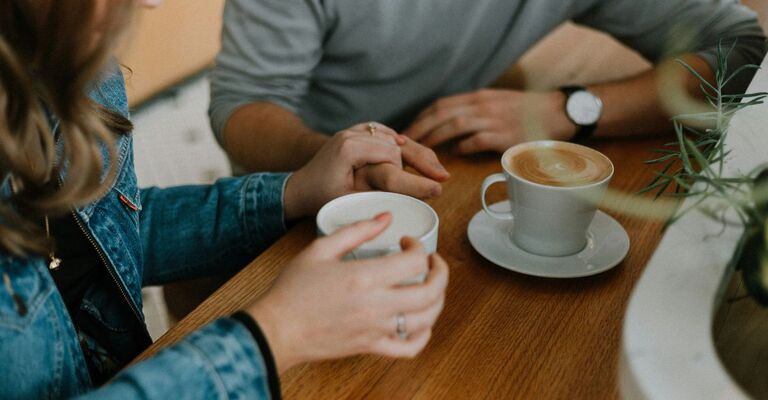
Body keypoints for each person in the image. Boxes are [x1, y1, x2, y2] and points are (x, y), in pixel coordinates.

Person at [0, 1, 449, 398]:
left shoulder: (67, 66)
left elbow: (106, 236)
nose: (153, 4)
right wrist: (273, 337)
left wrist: (292, 192)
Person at [209, 0, 767, 168]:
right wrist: (328, 155)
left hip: (455, 159)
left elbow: (741, 47)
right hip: (303, 173)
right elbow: (244, 106)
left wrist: (574, 108)